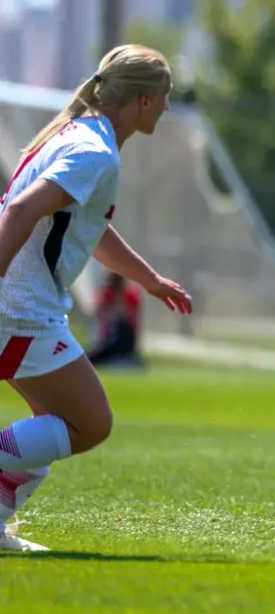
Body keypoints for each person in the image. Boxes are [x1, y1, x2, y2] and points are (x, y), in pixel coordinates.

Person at [0, 45, 194, 552]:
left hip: (24, 308)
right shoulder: (94, 151)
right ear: (145, 100)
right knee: (89, 425)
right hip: (18, 311)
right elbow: (19, 211)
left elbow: (89, 229)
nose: (170, 106)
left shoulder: (80, 136)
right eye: (167, 95)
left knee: (51, 426)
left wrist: (148, 279)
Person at [90, 271, 144, 368]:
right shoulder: (107, 294)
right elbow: (97, 312)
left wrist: (120, 296)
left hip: (124, 339)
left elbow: (127, 316)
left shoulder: (130, 295)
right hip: (108, 339)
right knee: (93, 358)